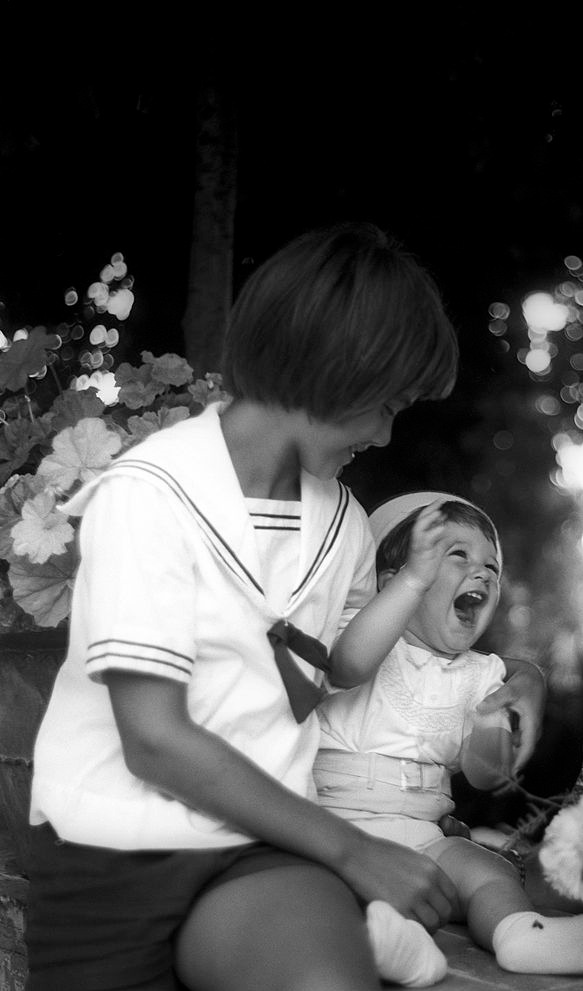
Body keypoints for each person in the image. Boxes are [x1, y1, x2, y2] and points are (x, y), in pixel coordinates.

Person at [25, 223, 544, 991]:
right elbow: (155, 740)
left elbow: (343, 668)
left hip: (259, 849)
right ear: (332, 373)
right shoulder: (148, 495)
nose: (385, 434)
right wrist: (350, 847)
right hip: (118, 851)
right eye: (386, 406)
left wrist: (445, 611)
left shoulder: (338, 521)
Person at [314, 490, 582, 983]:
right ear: (391, 583)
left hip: (425, 837)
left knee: (489, 873)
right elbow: (348, 664)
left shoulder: (480, 675)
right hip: (335, 827)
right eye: (458, 555)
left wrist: (497, 738)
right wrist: (410, 585)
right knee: (313, 884)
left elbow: (483, 778)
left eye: (492, 567)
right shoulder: (361, 634)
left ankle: (520, 933)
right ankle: (376, 939)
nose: (482, 573)